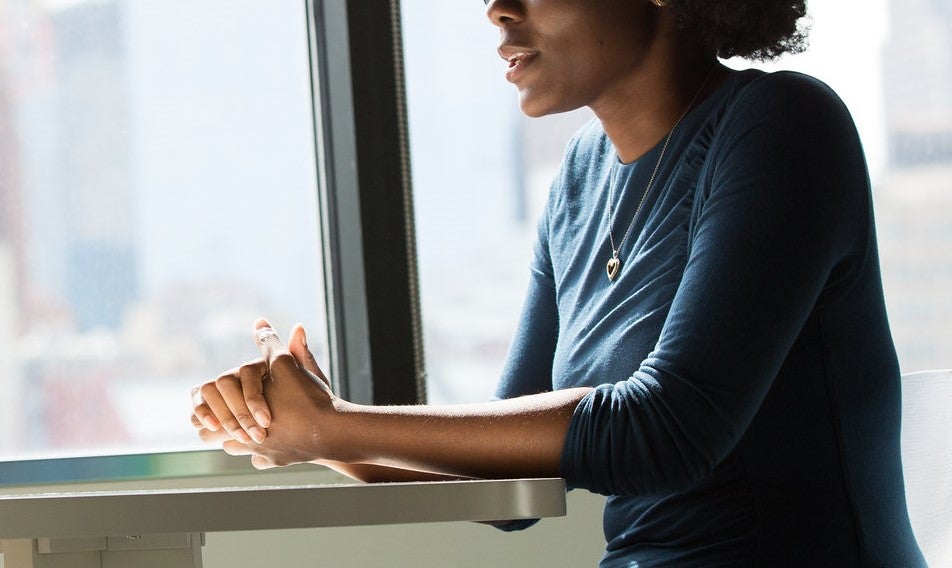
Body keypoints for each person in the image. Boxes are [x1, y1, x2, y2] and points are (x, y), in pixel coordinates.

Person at [191, 0, 927, 565]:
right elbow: (508, 492)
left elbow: (668, 428)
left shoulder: (781, 125)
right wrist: (310, 434)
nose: (496, 8)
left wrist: (338, 421)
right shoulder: (579, 179)